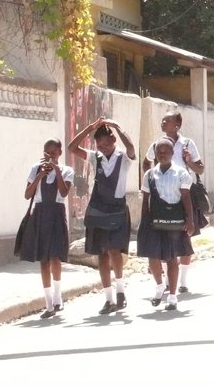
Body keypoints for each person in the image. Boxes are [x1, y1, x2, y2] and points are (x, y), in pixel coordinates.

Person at [68, 117, 137, 315]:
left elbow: (131, 147)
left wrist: (118, 126)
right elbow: (73, 147)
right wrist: (89, 128)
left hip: (117, 209)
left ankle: (121, 291)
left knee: (115, 251)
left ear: (114, 140)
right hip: (99, 211)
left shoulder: (123, 159)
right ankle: (108, 298)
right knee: (101, 254)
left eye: (107, 143)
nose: (104, 147)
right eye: (100, 145)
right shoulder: (95, 157)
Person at [143, 111, 205, 295]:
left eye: (167, 120)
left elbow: (200, 168)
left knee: (185, 237)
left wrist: (188, 161)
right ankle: (169, 281)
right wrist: (148, 180)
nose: (163, 122)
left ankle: (183, 281)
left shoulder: (187, 144)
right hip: (162, 197)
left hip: (183, 194)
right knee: (163, 237)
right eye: (162, 119)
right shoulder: (157, 144)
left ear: (177, 124)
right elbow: (146, 162)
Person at [139, 138, 196, 311]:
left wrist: (190, 221)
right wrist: (144, 222)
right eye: (159, 152)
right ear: (155, 155)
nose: (162, 155)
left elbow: (186, 198)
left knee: (172, 258)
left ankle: (172, 296)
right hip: (154, 221)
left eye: (166, 152)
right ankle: (159, 286)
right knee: (153, 256)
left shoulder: (181, 174)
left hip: (174, 221)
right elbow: (145, 200)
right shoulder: (149, 175)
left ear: (173, 154)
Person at [19, 139, 74, 319]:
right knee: (43, 259)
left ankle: (58, 296)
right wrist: (40, 176)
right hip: (40, 214)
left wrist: (56, 170)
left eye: (53, 152)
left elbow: (64, 192)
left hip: (56, 214)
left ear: (59, 153)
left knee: (55, 257)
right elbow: (28, 194)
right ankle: (48, 302)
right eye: (46, 152)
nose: (49, 156)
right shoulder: (36, 169)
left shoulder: (66, 171)